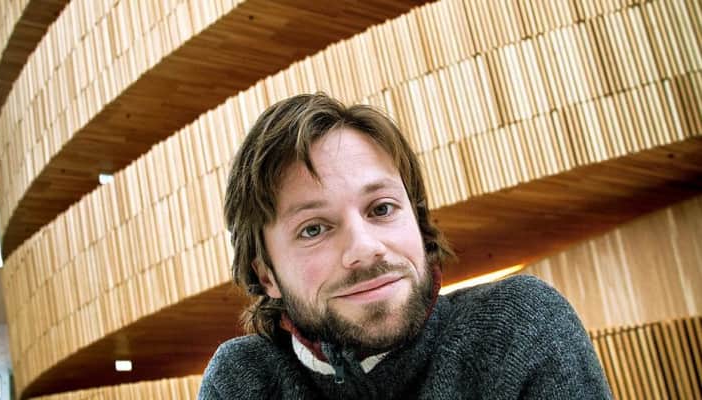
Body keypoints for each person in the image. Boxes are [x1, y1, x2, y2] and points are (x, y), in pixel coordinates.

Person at [198, 93, 612, 399]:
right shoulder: (242, 381)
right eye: (314, 229)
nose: (365, 249)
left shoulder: (517, 326)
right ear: (266, 275)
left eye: (381, 208)